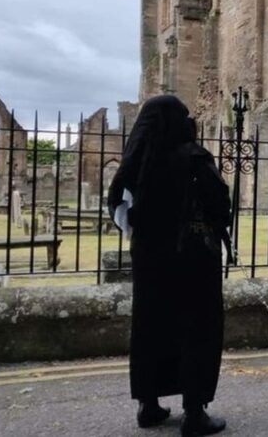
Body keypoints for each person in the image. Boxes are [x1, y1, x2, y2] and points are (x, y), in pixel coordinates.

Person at [107, 95, 230, 436]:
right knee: (197, 330)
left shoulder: (136, 164)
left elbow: (120, 212)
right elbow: (220, 205)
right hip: (193, 262)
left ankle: (148, 405)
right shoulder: (193, 157)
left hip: (150, 261)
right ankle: (194, 412)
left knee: (151, 328)